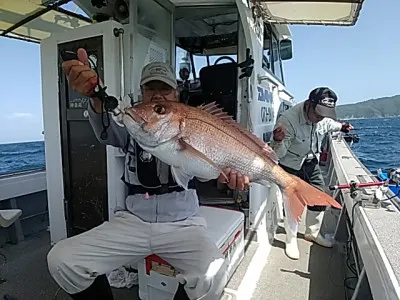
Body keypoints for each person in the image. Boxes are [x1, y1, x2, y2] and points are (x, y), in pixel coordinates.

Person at [47, 48, 250, 300]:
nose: (157, 94)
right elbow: (106, 128)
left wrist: (227, 175)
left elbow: (211, 168)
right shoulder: (132, 123)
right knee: (62, 260)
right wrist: (95, 97)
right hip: (133, 221)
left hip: (183, 223)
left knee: (212, 274)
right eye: (149, 89)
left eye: (164, 89)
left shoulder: (191, 126)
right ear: (141, 92)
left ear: (175, 93)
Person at [270, 87, 353, 260]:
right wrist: (278, 141)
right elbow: (278, 155)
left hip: (310, 162)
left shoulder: (322, 118)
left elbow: (330, 124)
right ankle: (291, 239)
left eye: (325, 114)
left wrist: (343, 127)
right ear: (308, 104)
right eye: (318, 113)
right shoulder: (288, 120)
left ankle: (312, 233)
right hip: (289, 165)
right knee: (292, 203)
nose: (320, 118)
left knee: (320, 195)